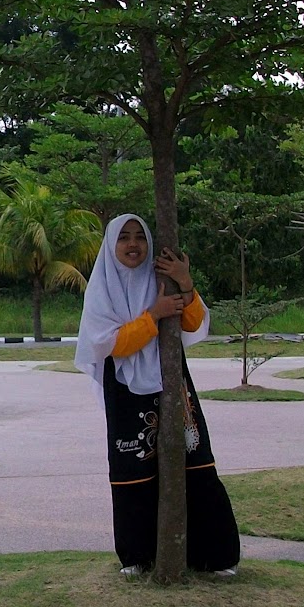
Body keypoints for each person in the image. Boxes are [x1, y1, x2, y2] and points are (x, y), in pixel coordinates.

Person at [75, 213, 240, 577]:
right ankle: (138, 556)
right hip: (125, 388)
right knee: (133, 469)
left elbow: (193, 322)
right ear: (111, 245)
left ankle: (215, 556)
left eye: (139, 237)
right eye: (124, 238)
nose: (133, 245)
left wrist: (184, 282)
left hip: (171, 381)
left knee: (196, 462)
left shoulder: (159, 278)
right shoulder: (101, 289)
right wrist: (153, 316)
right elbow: (109, 344)